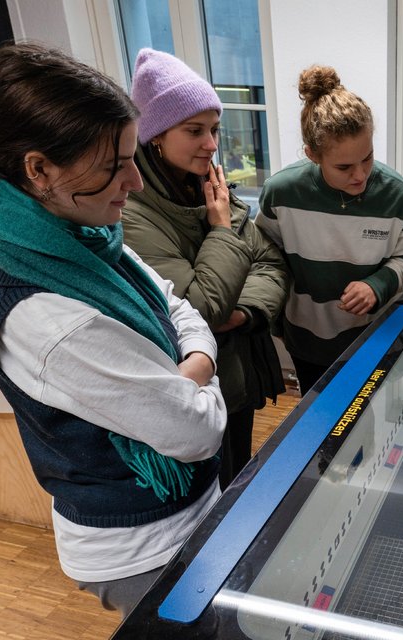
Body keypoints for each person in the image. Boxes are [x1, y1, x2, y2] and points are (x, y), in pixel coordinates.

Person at [0, 42, 226, 617]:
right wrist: (198, 372)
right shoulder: (45, 316)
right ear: (39, 168)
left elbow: (178, 307)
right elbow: (197, 430)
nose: (137, 181)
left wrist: (190, 368)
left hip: (183, 509)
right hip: (144, 542)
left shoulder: (79, 236)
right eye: (114, 165)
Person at [123, 48, 289, 490]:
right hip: (194, 388)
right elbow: (201, 307)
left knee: (236, 477)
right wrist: (219, 228)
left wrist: (245, 313)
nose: (212, 144)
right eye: (194, 130)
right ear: (155, 135)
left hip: (238, 370)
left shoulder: (207, 186)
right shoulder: (131, 213)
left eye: (214, 129)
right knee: (209, 499)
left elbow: (269, 262)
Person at [254, 65, 403, 395]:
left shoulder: (398, 198)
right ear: (312, 155)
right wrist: (276, 323)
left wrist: (378, 284)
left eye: (368, 158)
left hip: (371, 338)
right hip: (305, 339)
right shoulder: (281, 193)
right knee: (314, 419)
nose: (360, 175)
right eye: (344, 167)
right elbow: (266, 261)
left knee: (364, 425)